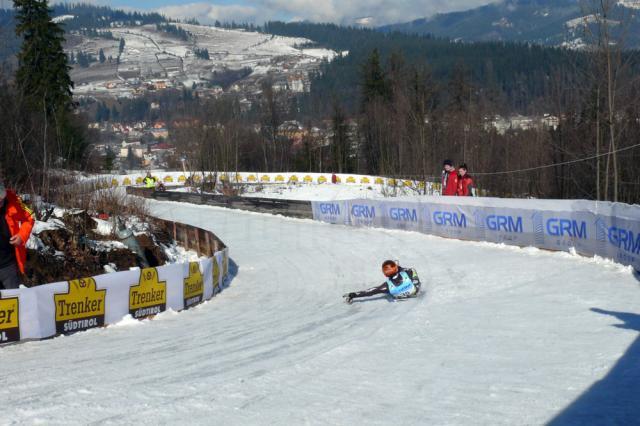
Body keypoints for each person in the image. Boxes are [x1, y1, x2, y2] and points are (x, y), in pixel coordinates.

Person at [0, 181, 35, 290]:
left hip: (8, 265)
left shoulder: (13, 200)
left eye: (1, 198)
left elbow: (30, 216)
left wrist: (21, 235)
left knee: (12, 303)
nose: (0, 202)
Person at [343, 260, 421, 304]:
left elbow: (370, 292)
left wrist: (353, 295)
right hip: (415, 294)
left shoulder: (386, 286)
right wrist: (416, 281)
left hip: (400, 301)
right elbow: (412, 270)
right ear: (396, 268)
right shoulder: (407, 272)